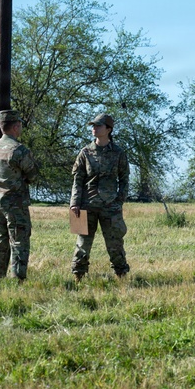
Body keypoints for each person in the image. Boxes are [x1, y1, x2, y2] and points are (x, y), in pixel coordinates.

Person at [69, 113, 130, 281]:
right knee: (82, 243)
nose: (94, 128)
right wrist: (74, 203)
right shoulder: (85, 152)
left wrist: (119, 201)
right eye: (93, 126)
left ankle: (121, 275)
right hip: (85, 205)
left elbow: (124, 179)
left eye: (98, 125)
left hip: (110, 206)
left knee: (115, 242)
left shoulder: (118, 153)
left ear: (108, 129)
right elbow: (77, 180)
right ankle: (78, 275)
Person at [0, 110, 39, 280]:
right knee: (19, 241)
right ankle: (18, 278)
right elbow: (33, 174)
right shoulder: (18, 150)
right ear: (16, 126)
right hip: (15, 203)